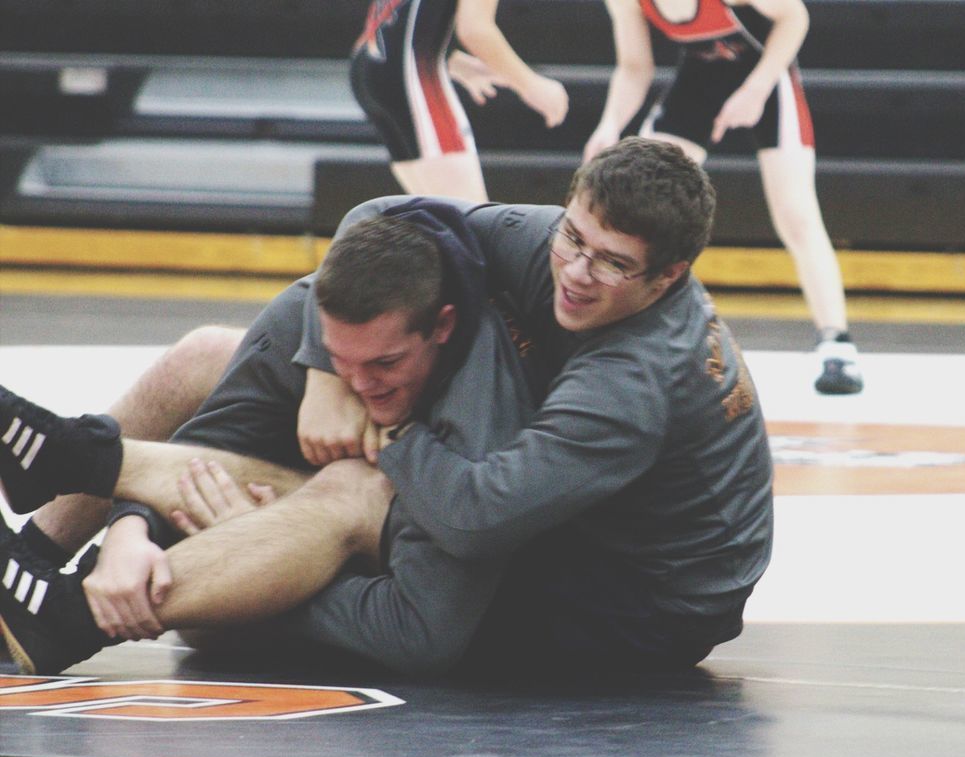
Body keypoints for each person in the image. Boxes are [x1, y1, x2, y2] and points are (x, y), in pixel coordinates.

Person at [2, 138, 774, 678]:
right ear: (568, 208)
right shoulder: (558, 245)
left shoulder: (636, 378)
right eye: (573, 237)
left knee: (357, 491)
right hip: (553, 499)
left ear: (668, 277)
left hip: (625, 596)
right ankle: (31, 559)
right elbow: (378, 216)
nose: (575, 272)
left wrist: (393, 430)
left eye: (610, 264)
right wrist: (325, 376)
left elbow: (479, 518)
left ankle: (74, 605)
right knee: (214, 353)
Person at [584, 0, 863, 395]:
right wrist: (609, 124)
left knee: (795, 214)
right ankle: (627, 337)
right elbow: (634, 67)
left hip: (765, 76)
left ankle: (837, 344)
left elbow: (794, 15)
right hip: (699, 80)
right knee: (638, 203)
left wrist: (756, 89)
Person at [351, 0, 569, 200]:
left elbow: (399, 19)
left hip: (368, 66)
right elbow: (475, 30)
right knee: (472, 224)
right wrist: (531, 84)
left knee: (434, 223)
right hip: (409, 73)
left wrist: (452, 61)